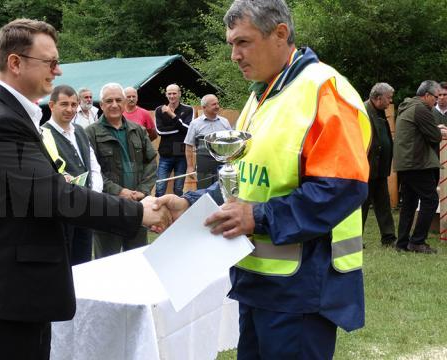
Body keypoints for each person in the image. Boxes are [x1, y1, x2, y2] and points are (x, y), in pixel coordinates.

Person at [154, 0, 371, 358]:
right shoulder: (262, 97)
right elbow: (242, 180)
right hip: (255, 280)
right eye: (230, 44)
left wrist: (257, 217)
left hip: (301, 290)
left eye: (243, 42)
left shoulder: (324, 90)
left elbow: (342, 188)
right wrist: (190, 203)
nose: (234, 56)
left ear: (280, 34)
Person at [0, 19, 169, 359]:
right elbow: (54, 196)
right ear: (15, 62)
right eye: (50, 62)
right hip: (7, 296)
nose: (58, 70)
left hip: (18, 290)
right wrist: (138, 212)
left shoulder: (13, 116)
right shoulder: (2, 122)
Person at [86, 82, 158, 258]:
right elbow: (91, 170)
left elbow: (151, 161)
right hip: (107, 208)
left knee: (137, 259)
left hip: (136, 207)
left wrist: (143, 191)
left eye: (119, 100)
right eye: (109, 101)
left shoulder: (138, 130)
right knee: (107, 261)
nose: (114, 104)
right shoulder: (90, 133)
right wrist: (119, 191)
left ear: (125, 103)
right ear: (101, 105)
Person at [41, 84, 103, 265]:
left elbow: (93, 165)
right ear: (52, 105)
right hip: (60, 211)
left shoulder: (80, 131)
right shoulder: (42, 134)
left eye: (74, 104)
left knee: (83, 262)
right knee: (62, 263)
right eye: (64, 104)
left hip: (85, 208)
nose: (70, 109)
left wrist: (94, 195)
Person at [394, 80, 443, 254]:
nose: (437, 101)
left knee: (409, 203)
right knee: (430, 200)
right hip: (417, 163)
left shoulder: (408, 106)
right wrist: (439, 131)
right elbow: (434, 137)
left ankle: (402, 242)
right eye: (435, 97)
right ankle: (417, 242)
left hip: (406, 163)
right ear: (427, 95)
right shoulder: (421, 109)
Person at [362, 83, 397, 246]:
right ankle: (355, 238)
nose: (390, 101)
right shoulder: (363, 111)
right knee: (362, 205)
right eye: (388, 98)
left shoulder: (381, 112)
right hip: (367, 168)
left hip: (380, 168)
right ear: (377, 98)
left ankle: (388, 237)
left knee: (383, 203)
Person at [184, 94, 231, 189]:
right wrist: (190, 167)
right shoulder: (195, 124)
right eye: (214, 104)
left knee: (223, 192)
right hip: (203, 165)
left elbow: (231, 144)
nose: (217, 106)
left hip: (222, 165)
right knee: (204, 193)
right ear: (204, 107)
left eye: (218, 103)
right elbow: (189, 146)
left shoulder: (225, 122)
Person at [154, 83, 194, 196]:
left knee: (178, 189)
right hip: (165, 154)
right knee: (160, 188)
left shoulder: (188, 110)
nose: (172, 96)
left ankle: (178, 213)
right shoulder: (159, 110)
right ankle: (158, 212)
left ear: (179, 94)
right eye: (169, 93)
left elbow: (188, 130)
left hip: (181, 153)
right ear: (166, 95)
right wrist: (179, 127)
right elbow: (160, 131)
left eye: (174, 93)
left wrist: (172, 115)